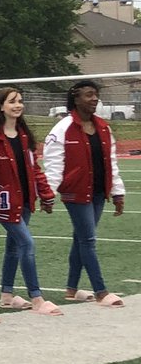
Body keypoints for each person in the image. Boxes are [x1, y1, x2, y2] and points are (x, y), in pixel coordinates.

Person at [0, 87, 62, 315]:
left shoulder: (24, 135)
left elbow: (34, 169)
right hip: (5, 203)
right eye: (12, 101)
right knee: (27, 244)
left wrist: (45, 195)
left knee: (13, 247)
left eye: (20, 101)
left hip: (25, 200)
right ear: (1, 106)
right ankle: (37, 297)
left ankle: (6, 295)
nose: (17, 105)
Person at [43, 80, 126, 307]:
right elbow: (53, 164)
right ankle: (101, 290)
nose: (94, 99)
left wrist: (117, 192)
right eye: (89, 95)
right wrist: (48, 194)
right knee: (88, 239)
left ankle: (71, 288)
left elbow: (112, 161)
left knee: (81, 238)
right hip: (75, 193)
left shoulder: (103, 127)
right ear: (76, 98)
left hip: (99, 191)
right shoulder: (62, 129)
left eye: (96, 95)